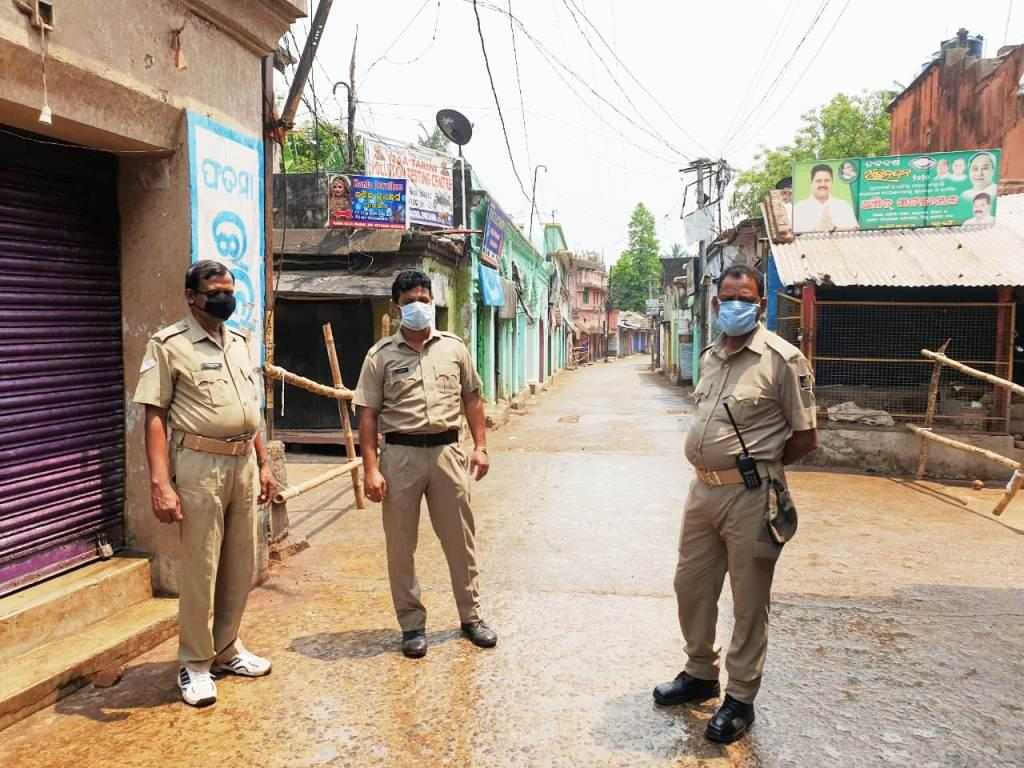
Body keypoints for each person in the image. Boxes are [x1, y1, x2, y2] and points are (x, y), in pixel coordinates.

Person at [652, 264, 819, 744]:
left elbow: (805, 437)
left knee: (748, 600)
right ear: (715, 303)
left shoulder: (782, 360)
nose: (735, 306)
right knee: (691, 585)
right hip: (702, 492)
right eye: (728, 298)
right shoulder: (710, 357)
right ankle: (700, 672)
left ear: (761, 305)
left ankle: (741, 698)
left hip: (751, 496)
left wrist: (760, 468)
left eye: (745, 299)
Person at [133, 260, 275, 708]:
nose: (224, 298)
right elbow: (154, 416)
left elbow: (250, 408)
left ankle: (226, 648)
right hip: (200, 466)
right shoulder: (168, 345)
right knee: (202, 566)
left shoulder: (240, 342)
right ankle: (194, 663)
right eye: (215, 292)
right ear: (191, 297)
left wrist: (264, 463)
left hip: (243, 463)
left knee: (239, 562)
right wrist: (160, 483)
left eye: (229, 290)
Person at [354, 270, 497, 659]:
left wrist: (481, 446)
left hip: (448, 454)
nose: (418, 305)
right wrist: (370, 469)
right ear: (396, 306)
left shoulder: (454, 348)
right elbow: (367, 415)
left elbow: (473, 398)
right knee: (401, 546)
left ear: (432, 302)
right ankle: (412, 625)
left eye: (424, 298)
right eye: (410, 300)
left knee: (461, 541)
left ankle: (471, 617)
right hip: (400, 457)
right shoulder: (379, 356)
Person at [792, 163, 860, 233]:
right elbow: (793, 235)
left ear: (832, 182)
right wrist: (816, 229)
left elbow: (855, 230)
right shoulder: (799, 208)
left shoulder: (844, 206)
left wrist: (834, 229)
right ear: (811, 183)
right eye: (818, 181)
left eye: (827, 180)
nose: (823, 184)